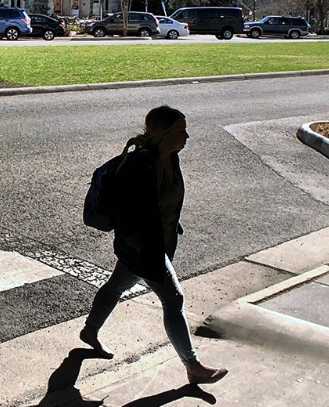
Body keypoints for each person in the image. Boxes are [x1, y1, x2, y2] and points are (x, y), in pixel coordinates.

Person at [80, 106, 228, 385]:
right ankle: (192, 365)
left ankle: (90, 331)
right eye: (181, 130)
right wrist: (141, 247)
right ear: (165, 133)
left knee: (116, 286)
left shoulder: (170, 158)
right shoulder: (140, 165)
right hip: (143, 247)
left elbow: (165, 200)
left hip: (156, 242)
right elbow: (128, 215)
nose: (188, 136)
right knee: (174, 299)